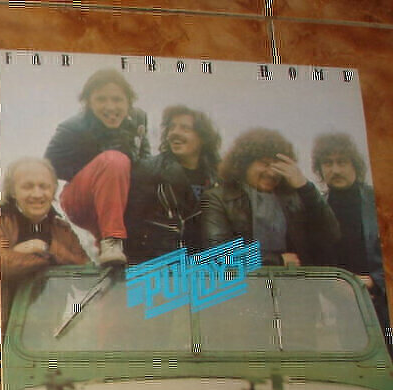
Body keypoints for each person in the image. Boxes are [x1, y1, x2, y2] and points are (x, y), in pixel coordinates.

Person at [45, 69, 149, 266]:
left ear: (129, 102)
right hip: (81, 199)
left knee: (149, 179)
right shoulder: (73, 127)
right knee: (114, 160)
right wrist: (95, 169)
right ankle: (111, 240)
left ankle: (118, 252)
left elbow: (145, 160)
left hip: (118, 197)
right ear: (89, 102)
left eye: (117, 100)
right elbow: (49, 166)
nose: (110, 107)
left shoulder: (138, 119)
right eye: (101, 99)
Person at [201, 128, 339, 267]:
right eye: (265, 164)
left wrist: (305, 187)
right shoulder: (217, 199)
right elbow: (218, 256)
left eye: (278, 166)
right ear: (244, 164)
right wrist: (277, 260)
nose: (272, 173)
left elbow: (330, 235)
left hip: (294, 279)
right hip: (245, 280)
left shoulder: (293, 199)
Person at [311, 132, 388, 339]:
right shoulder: (316, 209)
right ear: (320, 169)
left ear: (355, 165)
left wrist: (374, 281)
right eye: (328, 163)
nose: (335, 169)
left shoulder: (381, 201)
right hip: (345, 307)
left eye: (342, 162)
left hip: (384, 301)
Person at [124, 105, 221, 263]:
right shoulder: (149, 170)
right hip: (160, 264)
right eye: (171, 127)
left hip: (207, 267)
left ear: (203, 137)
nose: (175, 132)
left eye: (185, 128)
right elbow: (132, 223)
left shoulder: (218, 176)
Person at [0, 157, 88, 300]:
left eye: (44, 186)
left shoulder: (62, 228)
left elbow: (86, 275)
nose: (37, 194)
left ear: (53, 190)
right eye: (28, 187)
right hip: (5, 313)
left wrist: (45, 248)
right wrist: (53, 259)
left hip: (50, 313)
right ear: (13, 191)